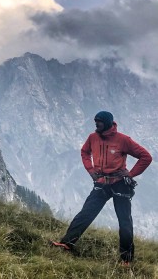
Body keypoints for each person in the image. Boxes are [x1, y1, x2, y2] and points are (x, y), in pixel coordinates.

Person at [51, 111, 152, 265]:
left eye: (99, 122)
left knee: (124, 221)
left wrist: (131, 174)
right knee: (86, 213)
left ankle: (126, 260)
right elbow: (84, 152)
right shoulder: (93, 137)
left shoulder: (123, 140)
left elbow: (146, 157)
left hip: (120, 183)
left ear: (108, 123)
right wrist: (91, 171)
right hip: (102, 182)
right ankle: (67, 243)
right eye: (95, 121)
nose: (96, 124)